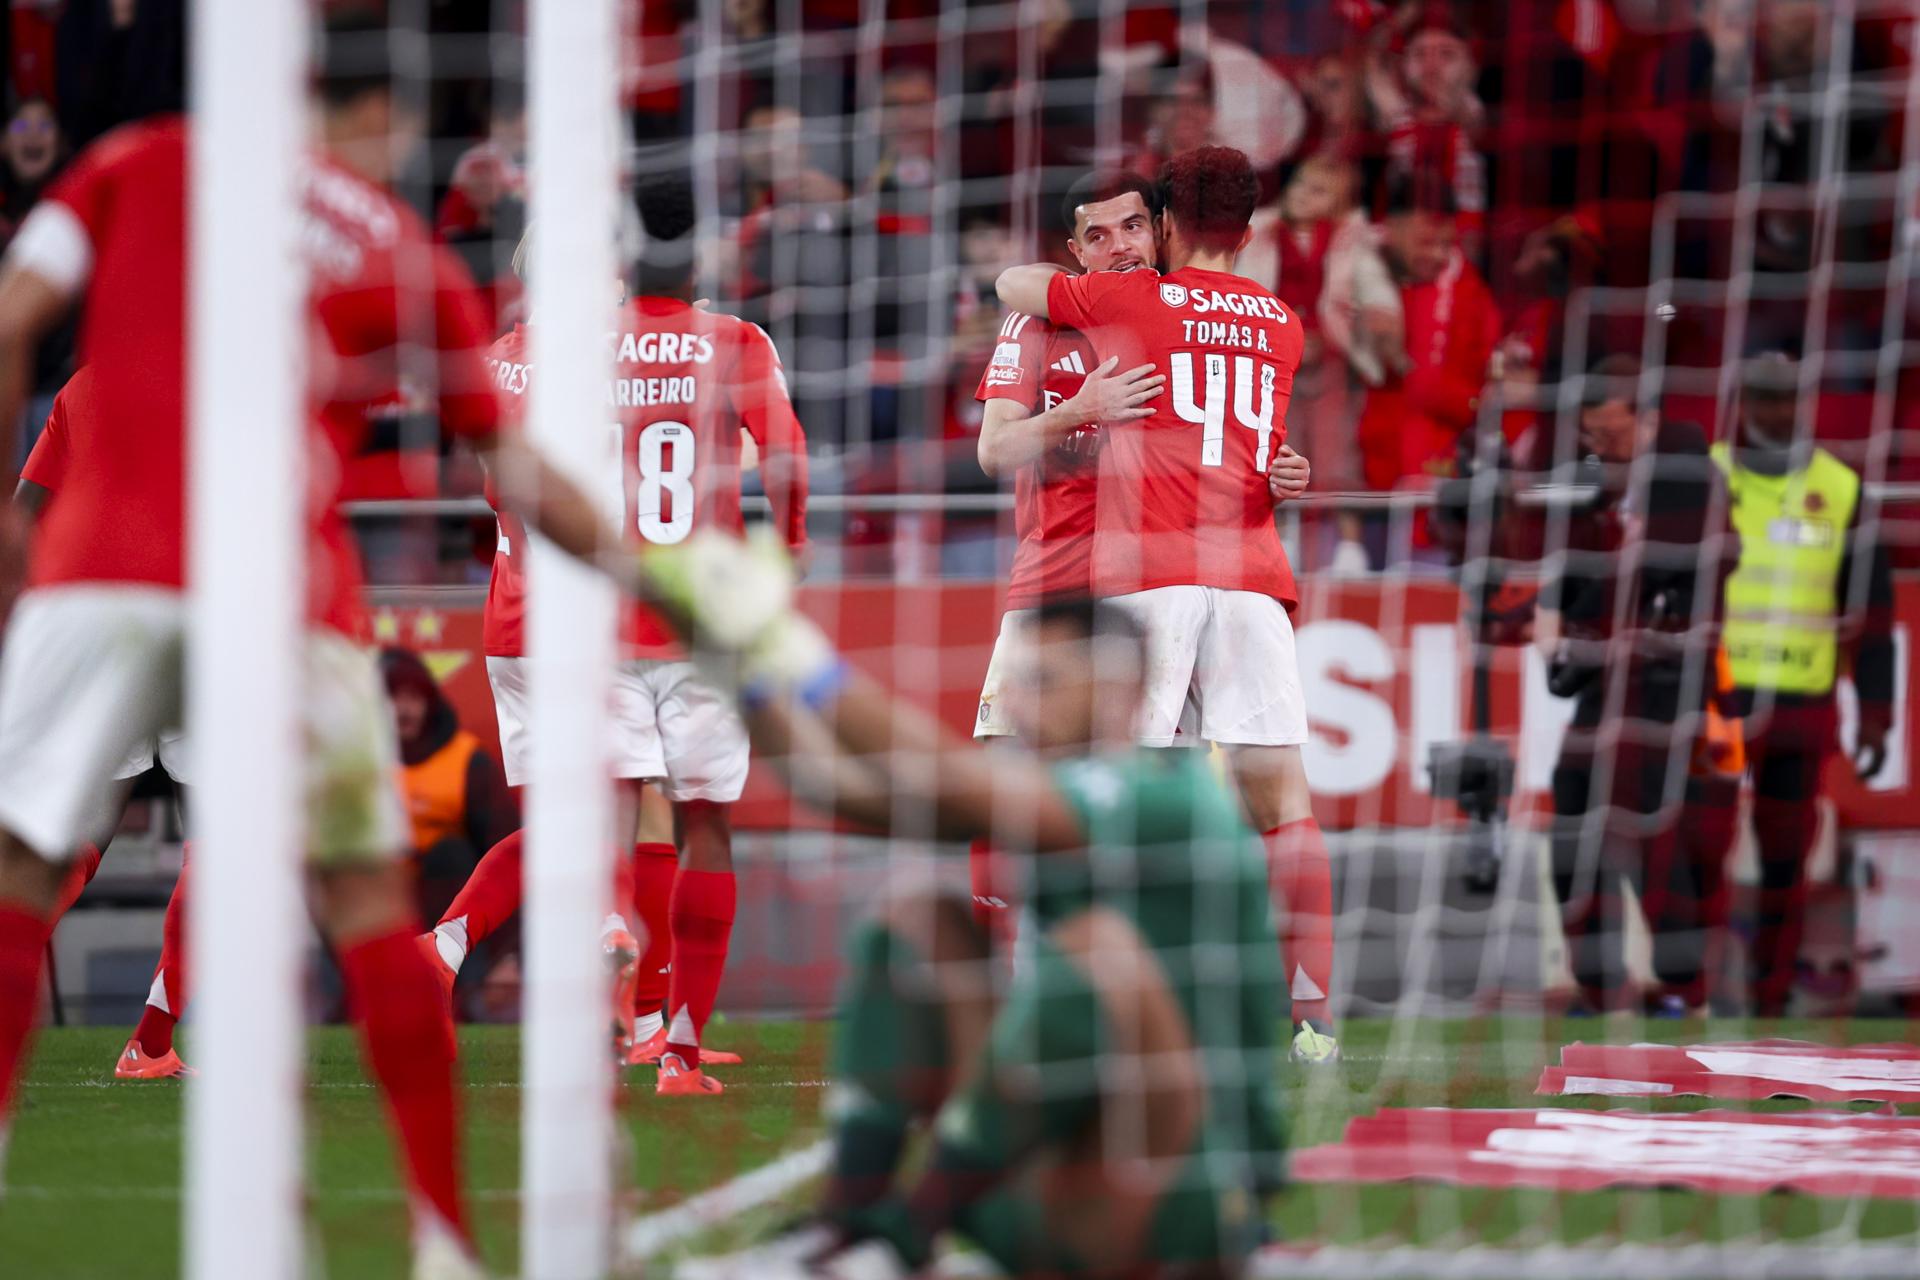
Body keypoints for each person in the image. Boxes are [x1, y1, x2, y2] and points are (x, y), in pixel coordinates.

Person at [0, 16, 644, 1277]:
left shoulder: (140, 160)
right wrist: (659, 569)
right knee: (363, 904)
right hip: (286, 593)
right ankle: (446, 1237)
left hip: (99, 572)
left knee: (20, 880)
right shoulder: (401, 248)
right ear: (388, 118)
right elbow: (516, 470)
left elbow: (14, 311)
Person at [647, 554, 1286, 1280]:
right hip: (1054, 1186)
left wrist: (791, 651)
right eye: (1016, 681)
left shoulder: (1172, 796)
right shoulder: (1048, 788)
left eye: (1044, 682)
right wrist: (738, 667)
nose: (1017, 703)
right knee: (919, 922)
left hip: (1183, 1200)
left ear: (1121, 690)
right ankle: (844, 1227)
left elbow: (943, 773)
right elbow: (834, 788)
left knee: (1096, 948)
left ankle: (906, 1232)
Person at [424, 175, 812, 1097]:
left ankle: (602, 941)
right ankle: (673, 1046)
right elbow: (788, 457)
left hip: (591, 620)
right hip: (698, 621)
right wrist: (787, 554)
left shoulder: (563, 353)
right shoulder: (734, 341)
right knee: (705, 825)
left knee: (601, 809)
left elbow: (499, 482)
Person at [995, 145, 1338, 1064]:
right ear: (1253, 230)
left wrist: (1069, 273)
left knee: (1122, 798)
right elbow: (1246, 433)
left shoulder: (1129, 301)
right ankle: (1312, 1020)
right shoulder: (1285, 323)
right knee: (1284, 801)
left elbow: (1014, 282)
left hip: (1149, 572)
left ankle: (1112, 1005)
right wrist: (1281, 470)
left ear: (1171, 225)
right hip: (1254, 576)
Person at [1531, 356, 1738, 1013]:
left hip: (1671, 684)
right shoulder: (1608, 486)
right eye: (1590, 436)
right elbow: (1582, 564)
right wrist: (1552, 612)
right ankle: (1600, 986)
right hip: (1610, 684)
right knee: (1573, 821)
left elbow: (1662, 567)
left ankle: (1685, 988)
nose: (1598, 448)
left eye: (1609, 434)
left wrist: (1585, 611)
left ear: (1646, 420)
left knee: (1658, 835)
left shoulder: (1687, 476)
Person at [14, 366, 193, 1081]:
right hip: (188, 618)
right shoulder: (221, 375)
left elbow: (24, 509)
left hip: (96, 622)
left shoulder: (84, 385)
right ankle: (150, 1043)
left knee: (73, 835)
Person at [1710, 351, 1894, 1015]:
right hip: (1716, 699)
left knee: (1787, 863)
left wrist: (1877, 711)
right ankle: (1693, 992)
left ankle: (1768, 995)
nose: (1775, 412)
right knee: (1701, 852)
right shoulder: (1704, 477)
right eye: (1761, 398)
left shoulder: (1841, 490)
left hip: (1801, 700)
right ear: (1740, 402)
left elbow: (1872, 613)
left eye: (1786, 399)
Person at [381, 647, 516, 927]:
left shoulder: (467, 761)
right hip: (374, 904)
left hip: (449, 914)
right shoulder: (352, 765)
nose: (403, 709)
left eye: (413, 696)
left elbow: (507, 860)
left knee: (451, 855)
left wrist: (510, 952)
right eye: (392, 697)